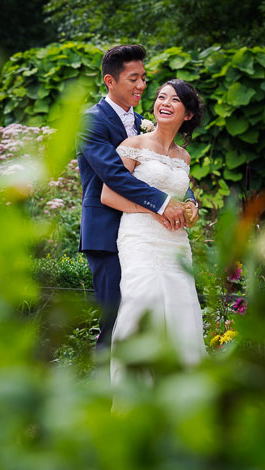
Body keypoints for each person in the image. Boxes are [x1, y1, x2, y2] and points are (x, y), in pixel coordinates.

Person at [77, 45, 198, 352]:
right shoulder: (92, 121)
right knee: (117, 325)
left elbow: (170, 170)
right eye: (134, 79)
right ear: (110, 81)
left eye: (144, 78)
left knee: (160, 324)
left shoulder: (148, 123)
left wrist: (189, 202)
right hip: (109, 233)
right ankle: (104, 400)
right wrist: (161, 204)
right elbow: (115, 176)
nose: (142, 86)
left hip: (156, 235)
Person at [101, 79, 206, 382]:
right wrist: (157, 208)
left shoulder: (184, 157)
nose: (165, 103)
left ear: (187, 114)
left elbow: (184, 196)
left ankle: (180, 396)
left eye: (174, 100)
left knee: (182, 311)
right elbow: (108, 194)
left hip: (175, 243)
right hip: (141, 238)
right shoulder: (133, 146)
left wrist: (191, 209)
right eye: (161, 97)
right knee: (141, 305)